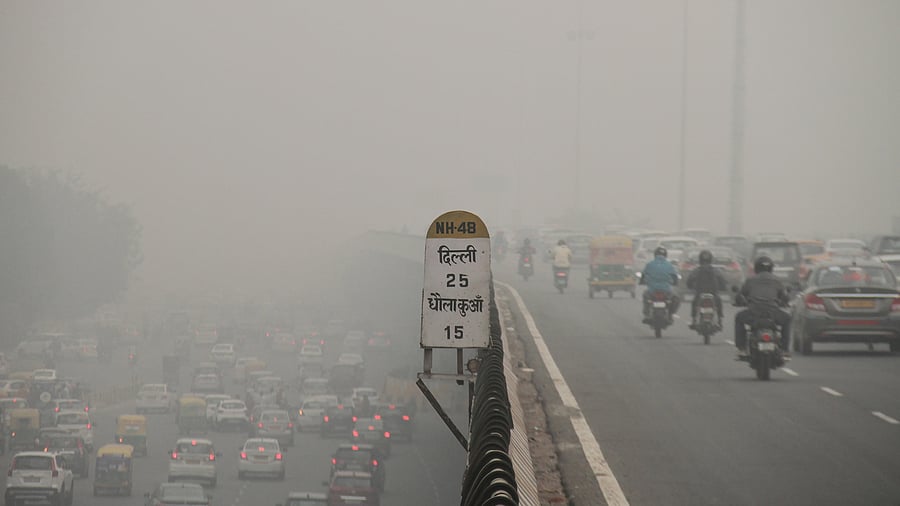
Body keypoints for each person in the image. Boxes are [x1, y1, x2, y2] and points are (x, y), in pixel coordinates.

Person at [734, 256, 791, 358]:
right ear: (771, 268)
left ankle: (741, 348)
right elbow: (785, 297)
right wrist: (783, 303)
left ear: (756, 268)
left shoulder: (750, 280)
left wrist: (741, 302)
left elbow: (740, 295)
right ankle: (784, 349)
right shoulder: (777, 280)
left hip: (754, 313)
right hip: (773, 313)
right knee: (787, 319)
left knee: (739, 317)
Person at [687, 250, 727, 328]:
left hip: (700, 293)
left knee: (694, 303)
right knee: (718, 302)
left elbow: (689, 281)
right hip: (713, 294)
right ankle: (720, 320)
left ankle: (694, 320)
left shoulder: (697, 270)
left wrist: (690, 287)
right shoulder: (716, 270)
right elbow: (722, 281)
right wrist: (723, 288)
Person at [639, 246, 680, 322]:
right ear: (665, 255)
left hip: (652, 290)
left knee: (645, 297)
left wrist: (641, 282)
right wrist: (675, 283)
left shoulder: (650, 264)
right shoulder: (669, 265)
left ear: (655, 255)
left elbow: (644, 275)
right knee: (675, 298)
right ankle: (670, 314)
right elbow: (674, 277)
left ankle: (647, 314)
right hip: (666, 290)